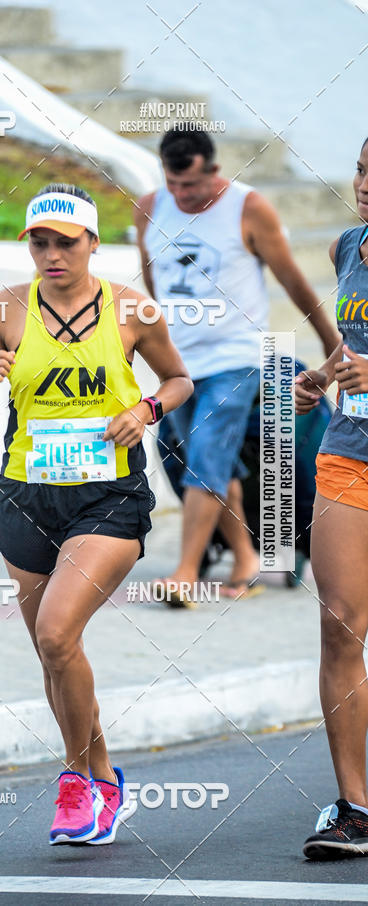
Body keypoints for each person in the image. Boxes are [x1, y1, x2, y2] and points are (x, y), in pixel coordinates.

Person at [0, 183, 193, 845]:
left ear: (92, 241)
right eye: (39, 241)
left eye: (66, 241)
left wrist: (145, 410)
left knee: (58, 634)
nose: (52, 253)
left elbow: (179, 380)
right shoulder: (4, 309)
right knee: (52, 653)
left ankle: (75, 779)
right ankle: (105, 778)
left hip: (107, 498)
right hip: (25, 497)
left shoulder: (131, 308)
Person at [134, 125, 340, 606]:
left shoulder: (247, 209)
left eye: (193, 185)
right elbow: (154, 286)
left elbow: (294, 284)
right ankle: (246, 556)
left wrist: (335, 351)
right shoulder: (149, 209)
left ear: (214, 171)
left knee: (206, 452)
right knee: (205, 459)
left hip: (239, 357)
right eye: (174, 184)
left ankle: (185, 573)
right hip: (182, 364)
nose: (182, 195)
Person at [296, 137, 368, 859]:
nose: (366, 185)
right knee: (341, 624)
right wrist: (326, 375)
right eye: (362, 169)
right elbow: (355, 343)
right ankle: (356, 809)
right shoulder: (349, 245)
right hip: (349, 454)